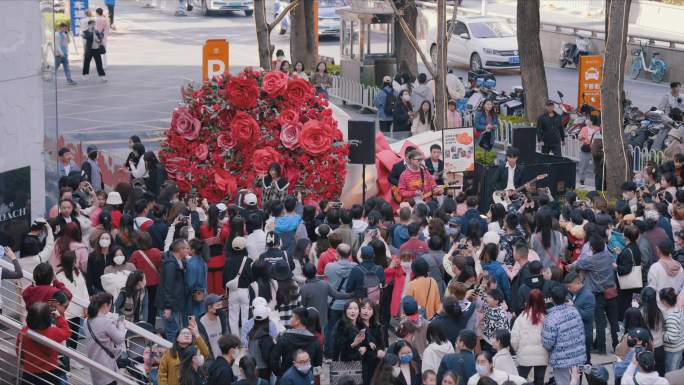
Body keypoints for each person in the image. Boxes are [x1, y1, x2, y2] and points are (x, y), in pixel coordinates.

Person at [568, 236, 618, 355]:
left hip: (598, 294)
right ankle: (617, 344)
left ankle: (601, 347)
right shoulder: (609, 256)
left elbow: (578, 265)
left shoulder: (591, 260)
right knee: (614, 321)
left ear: (592, 248)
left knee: (600, 323)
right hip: (612, 292)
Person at [16, 302, 71, 385]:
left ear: (29, 317)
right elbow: (67, 332)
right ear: (48, 317)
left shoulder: (23, 332)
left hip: (30, 372)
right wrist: (59, 317)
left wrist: (24, 362)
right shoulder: (53, 332)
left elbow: (19, 350)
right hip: (50, 371)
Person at [542, 285, 586, 385]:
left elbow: (548, 343)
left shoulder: (551, 318)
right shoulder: (574, 311)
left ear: (552, 300)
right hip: (578, 357)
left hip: (561, 361)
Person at [85, 292, 127, 385]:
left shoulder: (87, 321)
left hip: (94, 364)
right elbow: (119, 339)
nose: (110, 308)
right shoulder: (106, 322)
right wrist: (121, 325)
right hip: (106, 365)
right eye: (110, 306)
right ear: (105, 305)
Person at [269, 307, 323, 377]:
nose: (290, 319)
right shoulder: (315, 340)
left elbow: (274, 359)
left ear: (298, 321)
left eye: (292, 317)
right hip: (306, 379)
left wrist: (280, 375)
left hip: (287, 378)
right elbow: (318, 366)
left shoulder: (285, 338)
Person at [510, 289, 547, 385]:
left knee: (520, 380)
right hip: (542, 356)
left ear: (528, 301)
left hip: (524, 356)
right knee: (540, 381)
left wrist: (517, 350)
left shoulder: (521, 317)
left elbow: (514, 338)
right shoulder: (545, 318)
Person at [158, 239, 191, 341]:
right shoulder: (171, 264)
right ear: (179, 249)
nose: (188, 251)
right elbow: (168, 286)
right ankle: (174, 353)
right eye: (186, 248)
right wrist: (168, 307)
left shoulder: (179, 261)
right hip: (169, 305)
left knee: (175, 330)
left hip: (175, 303)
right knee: (173, 331)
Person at [563, 272, 596, 363]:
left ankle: (592, 377)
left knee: (585, 362)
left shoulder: (588, 296)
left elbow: (588, 316)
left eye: (570, 286)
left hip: (584, 335)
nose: (568, 289)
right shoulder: (575, 293)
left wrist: (573, 307)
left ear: (578, 283)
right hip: (576, 334)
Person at [224, 236, 253, 336]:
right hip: (245, 291)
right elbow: (252, 277)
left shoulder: (228, 261)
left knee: (233, 317)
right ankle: (245, 339)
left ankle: (235, 340)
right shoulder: (248, 261)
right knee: (245, 316)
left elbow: (224, 278)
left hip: (232, 291)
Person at [660, 287, 684, 373]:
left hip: (673, 350)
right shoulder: (679, 309)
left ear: (664, 301)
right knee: (677, 367)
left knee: (671, 371)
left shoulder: (671, 317)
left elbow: (671, 338)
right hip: (680, 346)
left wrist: (661, 334)